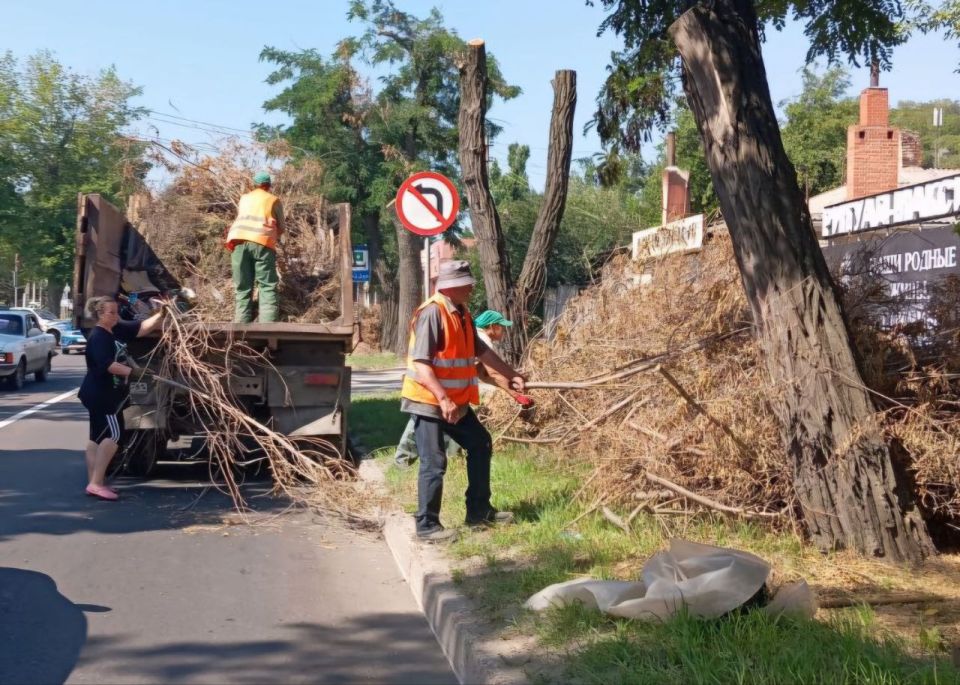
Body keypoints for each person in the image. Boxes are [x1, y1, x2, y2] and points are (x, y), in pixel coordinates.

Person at [400, 260, 526, 542]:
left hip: (454, 403)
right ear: (451, 286)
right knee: (434, 461)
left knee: (480, 443)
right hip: (429, 400)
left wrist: (512, 374)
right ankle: (427, 526)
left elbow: (480, 350)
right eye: (467, 283)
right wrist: (442, 398)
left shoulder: (462, 313)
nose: (472, 287)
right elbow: (421, 363)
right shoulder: (433, 312)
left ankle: (479, 512)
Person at [394, 308, 532, 468]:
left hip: (446, 391)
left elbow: (483, 373)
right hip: (433, 390)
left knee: (450, 427)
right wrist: (515, 390)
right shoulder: (482, 339)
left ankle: (448, 457)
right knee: (421, 427)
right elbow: (492, 372)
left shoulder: (472, 333)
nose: (504, 332)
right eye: (502, 327)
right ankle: (402, 461)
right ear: (493, 326)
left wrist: (511, 387)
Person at [78, 296, 166, 501]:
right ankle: (97, 483)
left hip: (100, 392)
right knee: (115, 435)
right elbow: (107, 365)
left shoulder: (114, 330)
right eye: (111, 312)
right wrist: (135, 373)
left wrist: (161, 314)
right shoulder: (99, 336)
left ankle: (94, 482)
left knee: (96, 438)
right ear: (100, 314)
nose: (116, 316)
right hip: (102, 393)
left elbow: (141, 328)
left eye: (117, 311)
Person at [225, 171, 285, 323]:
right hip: (261, 242)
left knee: (243, 286)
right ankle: (267, 326)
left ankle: (240, 325)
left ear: (253, 185)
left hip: (238, 242)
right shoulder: (273, 200)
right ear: (269, 186)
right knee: (266, 285)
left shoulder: (244, 198)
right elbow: (281, 227)